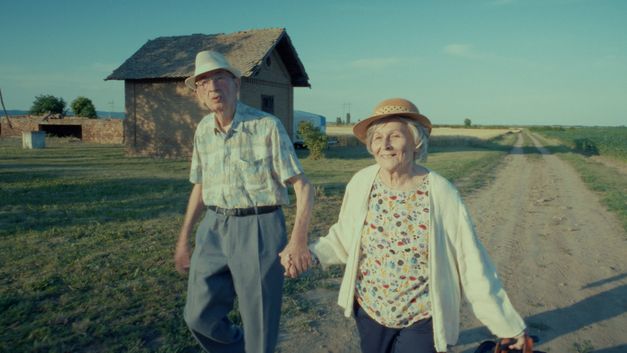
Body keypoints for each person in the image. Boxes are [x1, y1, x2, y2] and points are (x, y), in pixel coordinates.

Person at [309, 98, 527, 353]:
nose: (385, 145)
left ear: (416, 142)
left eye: (395, 136)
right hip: (369, 310)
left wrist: (506, 325)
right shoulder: (361, 182)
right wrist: (312, 254)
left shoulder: (441, 192)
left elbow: (472, 262)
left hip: (422, 316)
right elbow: (344, 236)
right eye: (378, 138)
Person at [174, 50, 314, 353]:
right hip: (213, 227)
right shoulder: (203, 131)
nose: (213, 87)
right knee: (198, 316)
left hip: (260, 228)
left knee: (260, 324)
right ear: (198, 91)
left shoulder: (266, 126)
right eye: (204, 81)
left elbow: (303, 186)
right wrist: (184, 238)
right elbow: (200, 185)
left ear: (236, 84)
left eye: (220, 78)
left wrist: (297, 240)